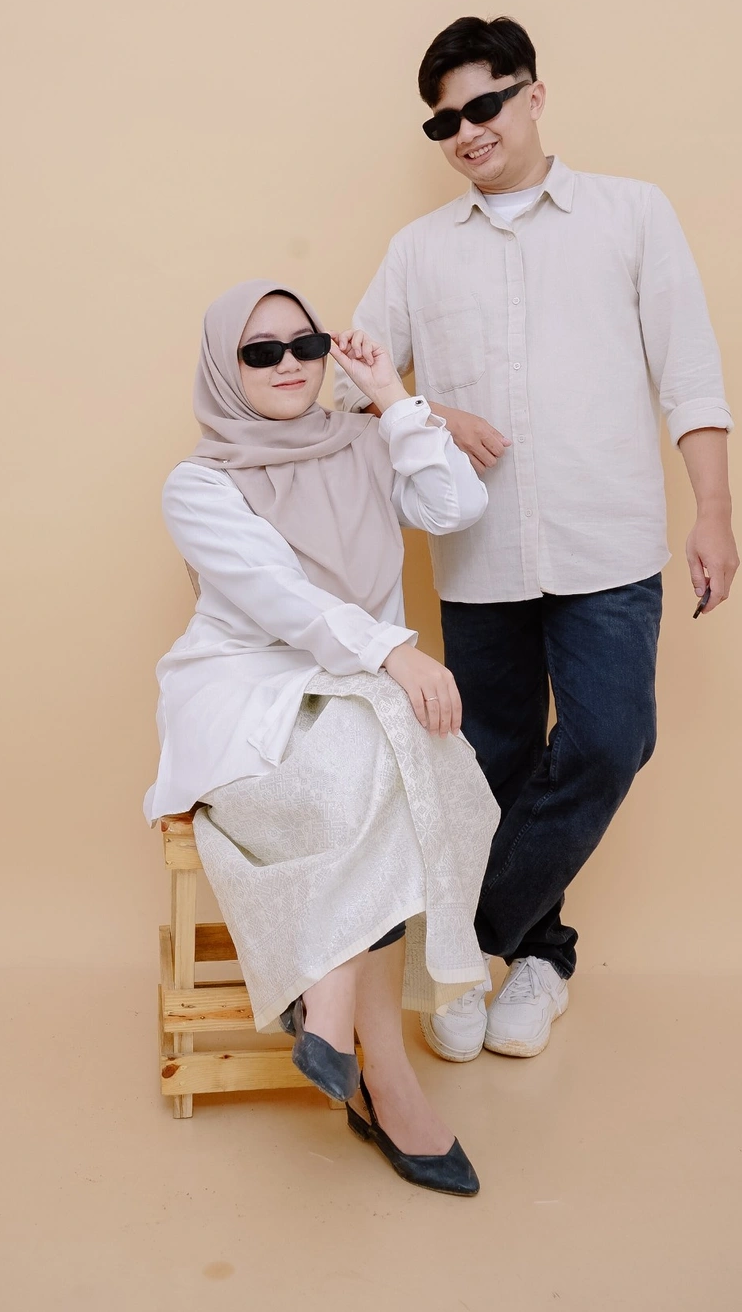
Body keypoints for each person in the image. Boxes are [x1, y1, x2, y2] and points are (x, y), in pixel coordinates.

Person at [336, 15, 739, 1064]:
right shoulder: (419, 251)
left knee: (608, 742)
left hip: (609, 543)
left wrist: (713, 511)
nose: (467, 131)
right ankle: (542, 959)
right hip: (481, 558)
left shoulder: (631, 214)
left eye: (484, 104)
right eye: (444, 122)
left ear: (533, 94)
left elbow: (689, 372)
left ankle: (460, 948)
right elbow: (348, 382)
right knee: (492, 764)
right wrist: (426, 410)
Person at [145, 279, 500, 1195]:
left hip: (359, 683)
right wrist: (396, 654)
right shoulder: (200, 483)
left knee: (390, 754)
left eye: (304, 345)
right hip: (246, 691)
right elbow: (282, 602)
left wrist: (389, 397)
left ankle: (330, 1014)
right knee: (392, 757)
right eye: (259, 352)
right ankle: (387, 1077)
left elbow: (455, 506)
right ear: (224, 368)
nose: (288, 365)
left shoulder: (366, 442)